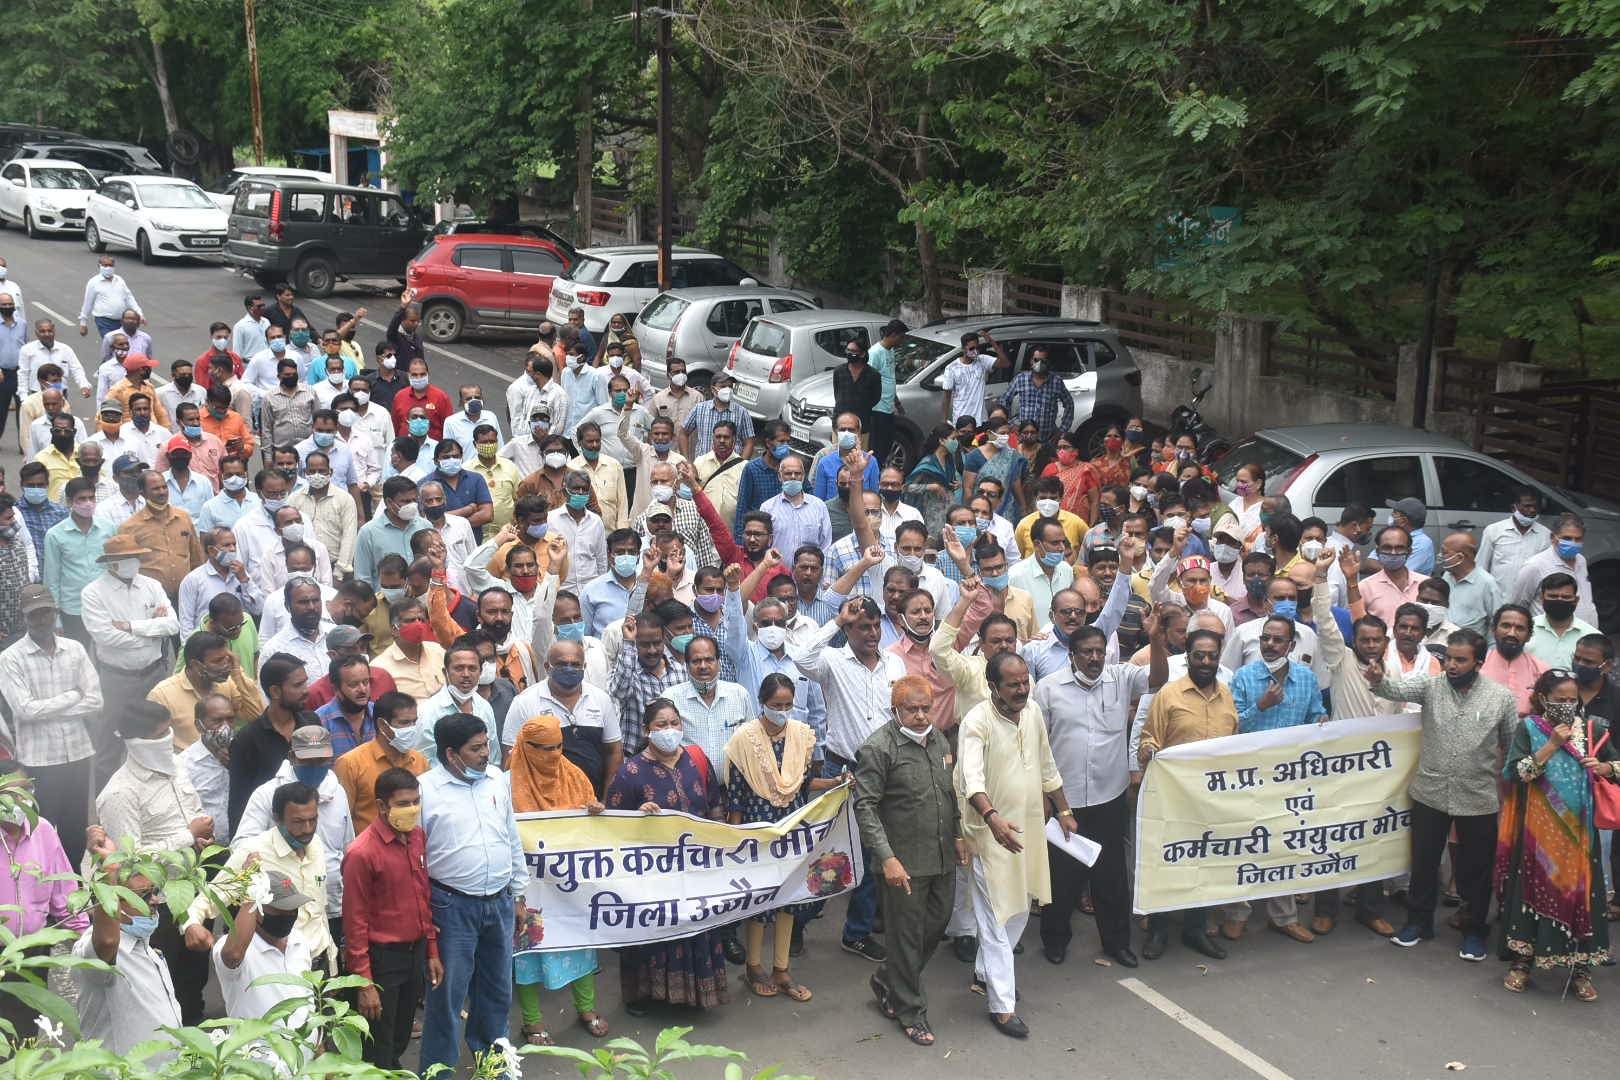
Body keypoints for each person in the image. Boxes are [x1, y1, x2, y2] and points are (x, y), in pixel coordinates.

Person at [1366, 629, 1518, 958]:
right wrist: (1378, 678)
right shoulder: (1431, 686)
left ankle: (1475, 931)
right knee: (1424, 861)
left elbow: (1512, 742)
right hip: (1430, 792)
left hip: (1478, 797)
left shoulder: (1501, 698)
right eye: (1448, 658)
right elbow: (1393, 688)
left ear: (1478, 662)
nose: (1451, 665)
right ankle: (1418, 923)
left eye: (1460, 660)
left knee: (1477, 870)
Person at [1035, 612, 1166, 968]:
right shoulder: (1047, 689)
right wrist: (1047, 798)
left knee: (1111, 877)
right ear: (1072, 655)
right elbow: (1038, 745)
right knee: (1062, 878)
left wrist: (1155, 639)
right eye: (1086, 652)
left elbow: (1157, 679)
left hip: (1110, 798)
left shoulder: (1121, 678)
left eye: (1098, 651)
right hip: (1066, 801)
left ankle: (1117, 943)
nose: (1094, 658)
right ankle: (1055, 940)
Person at [956, 652, 1072, 1038]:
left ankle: (984, 970)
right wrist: (992, 819)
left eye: (1025, 682)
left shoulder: (1033, 712)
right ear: (993, 687)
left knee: (1021, 905)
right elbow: (970, 780)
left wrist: (1064, 808)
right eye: (1013, 684)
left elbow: (1046, 763)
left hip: (1029, 831)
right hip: (990, 836)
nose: (1022, 689)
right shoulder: (976, 721)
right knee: (995, 918)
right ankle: (1001, 1006)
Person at [853, 676, 967, 1047]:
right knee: (904, 939)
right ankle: (910, 1011)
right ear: (895, 710)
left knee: (935, 925)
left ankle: (888, 978)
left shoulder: (939, 741)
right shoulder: (878, 748)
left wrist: (958, 834)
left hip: (941, 857)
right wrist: (886, 859)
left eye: (925, 708)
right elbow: (865, 807)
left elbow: (948, 793)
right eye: (911, 710)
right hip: (902, 864)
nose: (920, 716)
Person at [1494, 669, 1617, 1000]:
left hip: (1581, 835)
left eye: (1571, 699)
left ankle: (1581, 970)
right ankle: (1522, 963)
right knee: (1532, 892)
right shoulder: (1530, 729)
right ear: (1542, 698)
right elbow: (1517, 773)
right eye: (1559, 699)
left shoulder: (1593, 729)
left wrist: (1605, 768)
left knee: (1582, 897)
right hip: (1539, 833)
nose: (1566, 705)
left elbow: (1617, 767)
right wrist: (1551, 746)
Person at [603, 699, 730, 1013]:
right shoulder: (630, 772)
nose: (669, 730)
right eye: (661, 725)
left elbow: (714, 804)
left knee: (696, 926)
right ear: (647, 731)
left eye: (674, 723)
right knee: (655, 934)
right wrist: (639, 816)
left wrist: (720, 843)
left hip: (696, 866)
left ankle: (696, 994)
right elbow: (614, 828)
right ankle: (646, 995)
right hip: (653, 875)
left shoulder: (696, 760)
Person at [418, 712, 525, 1076]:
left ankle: (494, 1066)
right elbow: (415, 860)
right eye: (476, 748)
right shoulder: (424, 791)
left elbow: (510, 835)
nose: (485, 754)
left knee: (497, 993)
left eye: (486, 745)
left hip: (499, 902)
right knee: (447, 998)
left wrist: (520, 893)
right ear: (451, 754)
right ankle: (439, 1071)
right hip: (451, 907)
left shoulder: (496, 779)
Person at [95, 700, 215, 1023]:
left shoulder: (175, 766)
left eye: (169, 731)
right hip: (154, 909)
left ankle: (199, 1064)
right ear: (137, 742)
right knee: (165, 992)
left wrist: (199, 837)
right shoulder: (120, 794)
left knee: (194, 986)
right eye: (160, 734)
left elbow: (189, 812)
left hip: (191, 894)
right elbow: (127, 864)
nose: (168, 739)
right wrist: (187, 836)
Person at [507, 715, 610, 1042]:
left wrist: (594, 811)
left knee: (580, 943)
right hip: (530, 887)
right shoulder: (506, 785)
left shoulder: (575, 776)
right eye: (544, 749)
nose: (553, 756)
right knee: (528, 952)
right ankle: (533, 1021)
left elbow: (592, 829)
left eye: (559, 747)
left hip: (569, 884)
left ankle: (587, 1008)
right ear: (526, 748)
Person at [1137, 628, 1237, 961]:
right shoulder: (1168, 695)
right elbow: (1148, 738)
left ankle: (1196, 929)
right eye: (1199, 655)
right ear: (1188, 656)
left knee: (1203, 866)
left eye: (1212, 656)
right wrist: (1150, 751)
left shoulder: (1227, 696)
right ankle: (1159, 931)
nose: (1206, 662)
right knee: (1168, 863)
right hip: (1173, 798)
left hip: (1212, 800)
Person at [343, 766, 444, 1068]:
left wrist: (432, 951)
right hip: (381, 960)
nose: (412, 809)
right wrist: (365, 984)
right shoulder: (362, 853)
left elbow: (423, 898)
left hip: (414, 955)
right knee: (378, 1044)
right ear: (382, 806)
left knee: (400, 1035)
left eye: (415, 801)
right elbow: (355, 922)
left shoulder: (416, 838)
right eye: (403, 803)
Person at [185, 780, 336, 974]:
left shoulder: (315, 845)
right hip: (280, 971)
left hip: (321, 964)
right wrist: (191, 925)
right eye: (298, 822)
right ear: (277, 818)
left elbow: (319, 910)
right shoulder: (252, 853)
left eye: (313, 820)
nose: (307, 829)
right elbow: (207, 900)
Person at [72, 837, 183, 1057]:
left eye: (154, 892)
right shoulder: (95, 949)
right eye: (142, 895)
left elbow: (173, 1024)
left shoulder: (150, 951)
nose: (153, 901)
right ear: (114, 903)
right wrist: (110, 871)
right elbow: (107, 941)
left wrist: (199, 1066)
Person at [0, 760, 88, 1038]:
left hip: (32, 952)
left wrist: (86, 938)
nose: (19, 801)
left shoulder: (43, 830)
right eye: (10, 795)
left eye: (25, 791)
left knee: (25, 1028)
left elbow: (64, 890)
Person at [213, 870, 318, 1030]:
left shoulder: (299, 939)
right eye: (281, 909)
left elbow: (306, 997)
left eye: (293, 908)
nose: (289, 914)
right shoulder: (232, 948)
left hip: (306, 1051)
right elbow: (233, 955)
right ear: (258, 909)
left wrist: (317, 1041)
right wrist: (252, 891)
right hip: (259, 1053)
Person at [147, 629, 264, 746]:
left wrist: (237, 673)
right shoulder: (161, 695)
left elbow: (256, 715)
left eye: (227, 658)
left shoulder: (228, 683)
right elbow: (152, 743)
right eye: (218, 661)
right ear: (195, 665)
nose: (225, 665)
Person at [1526, 572, 1599, 668]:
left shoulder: (1591, 635)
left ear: (1576, 601)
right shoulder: (1524, 630)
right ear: (1542, 599)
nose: (1559, 601)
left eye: (1566, 597)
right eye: (1553, 596)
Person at [1440, 531, 1502, 636]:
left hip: (1469, 646)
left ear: (1460, 557)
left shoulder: (1487, 583)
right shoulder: (1447, 575)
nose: (1441, 556)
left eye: (1444, 552)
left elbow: (1497, 621)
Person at [78, 255, 142, 338]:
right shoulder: (93, 282)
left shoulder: (119, 280)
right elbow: (88, 302)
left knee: (123, 344)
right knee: (112, 342)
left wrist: (139, 313)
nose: (108, 268)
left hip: (121, 321)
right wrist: (83, 323)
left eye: (110, 265)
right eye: (105, 265)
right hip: (104, 321)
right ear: (99, 266)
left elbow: (129, 298)